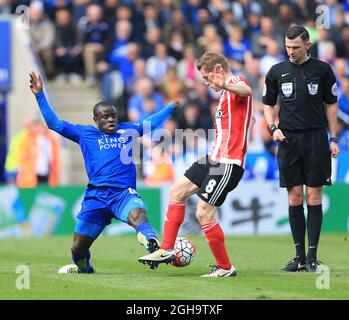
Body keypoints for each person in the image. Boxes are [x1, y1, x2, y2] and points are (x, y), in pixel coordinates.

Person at [29, 71, 181, 273]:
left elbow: (151, 123)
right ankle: (84, 268)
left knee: (138, 215)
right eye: (105, 117)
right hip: (96, 196)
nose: (111, 120)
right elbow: (54, 124)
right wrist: (39, 94)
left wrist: (169, 107)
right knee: (78, 247)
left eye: (114, 116)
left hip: (122, 194)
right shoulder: (84, 133)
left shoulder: (127, 130)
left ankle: (154, 247)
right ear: (96, 119)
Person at [138, 52, 253, 277]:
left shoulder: (235, 82)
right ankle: (166, 249)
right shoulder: (224, 96)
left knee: (203, 213)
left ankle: (225, 267)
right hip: (214, 158)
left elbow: (246, 91)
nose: (207, 82)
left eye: (207, 77)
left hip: (229, 162)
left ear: (218, 69)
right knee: (176, 191)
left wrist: (225, 84)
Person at [262, 26, 339, 273]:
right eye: (287, 46)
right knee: (294, 196)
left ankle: (313, 256)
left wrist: (333, 137)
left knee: (314, 196)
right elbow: (267, 104)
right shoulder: (276, 71)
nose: (290, 51)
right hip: (288, 140)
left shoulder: (323, 70)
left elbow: (331, 105)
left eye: (295, 47)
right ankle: (299, 257)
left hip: (316, 138)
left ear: (307, 45)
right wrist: (273, 127)